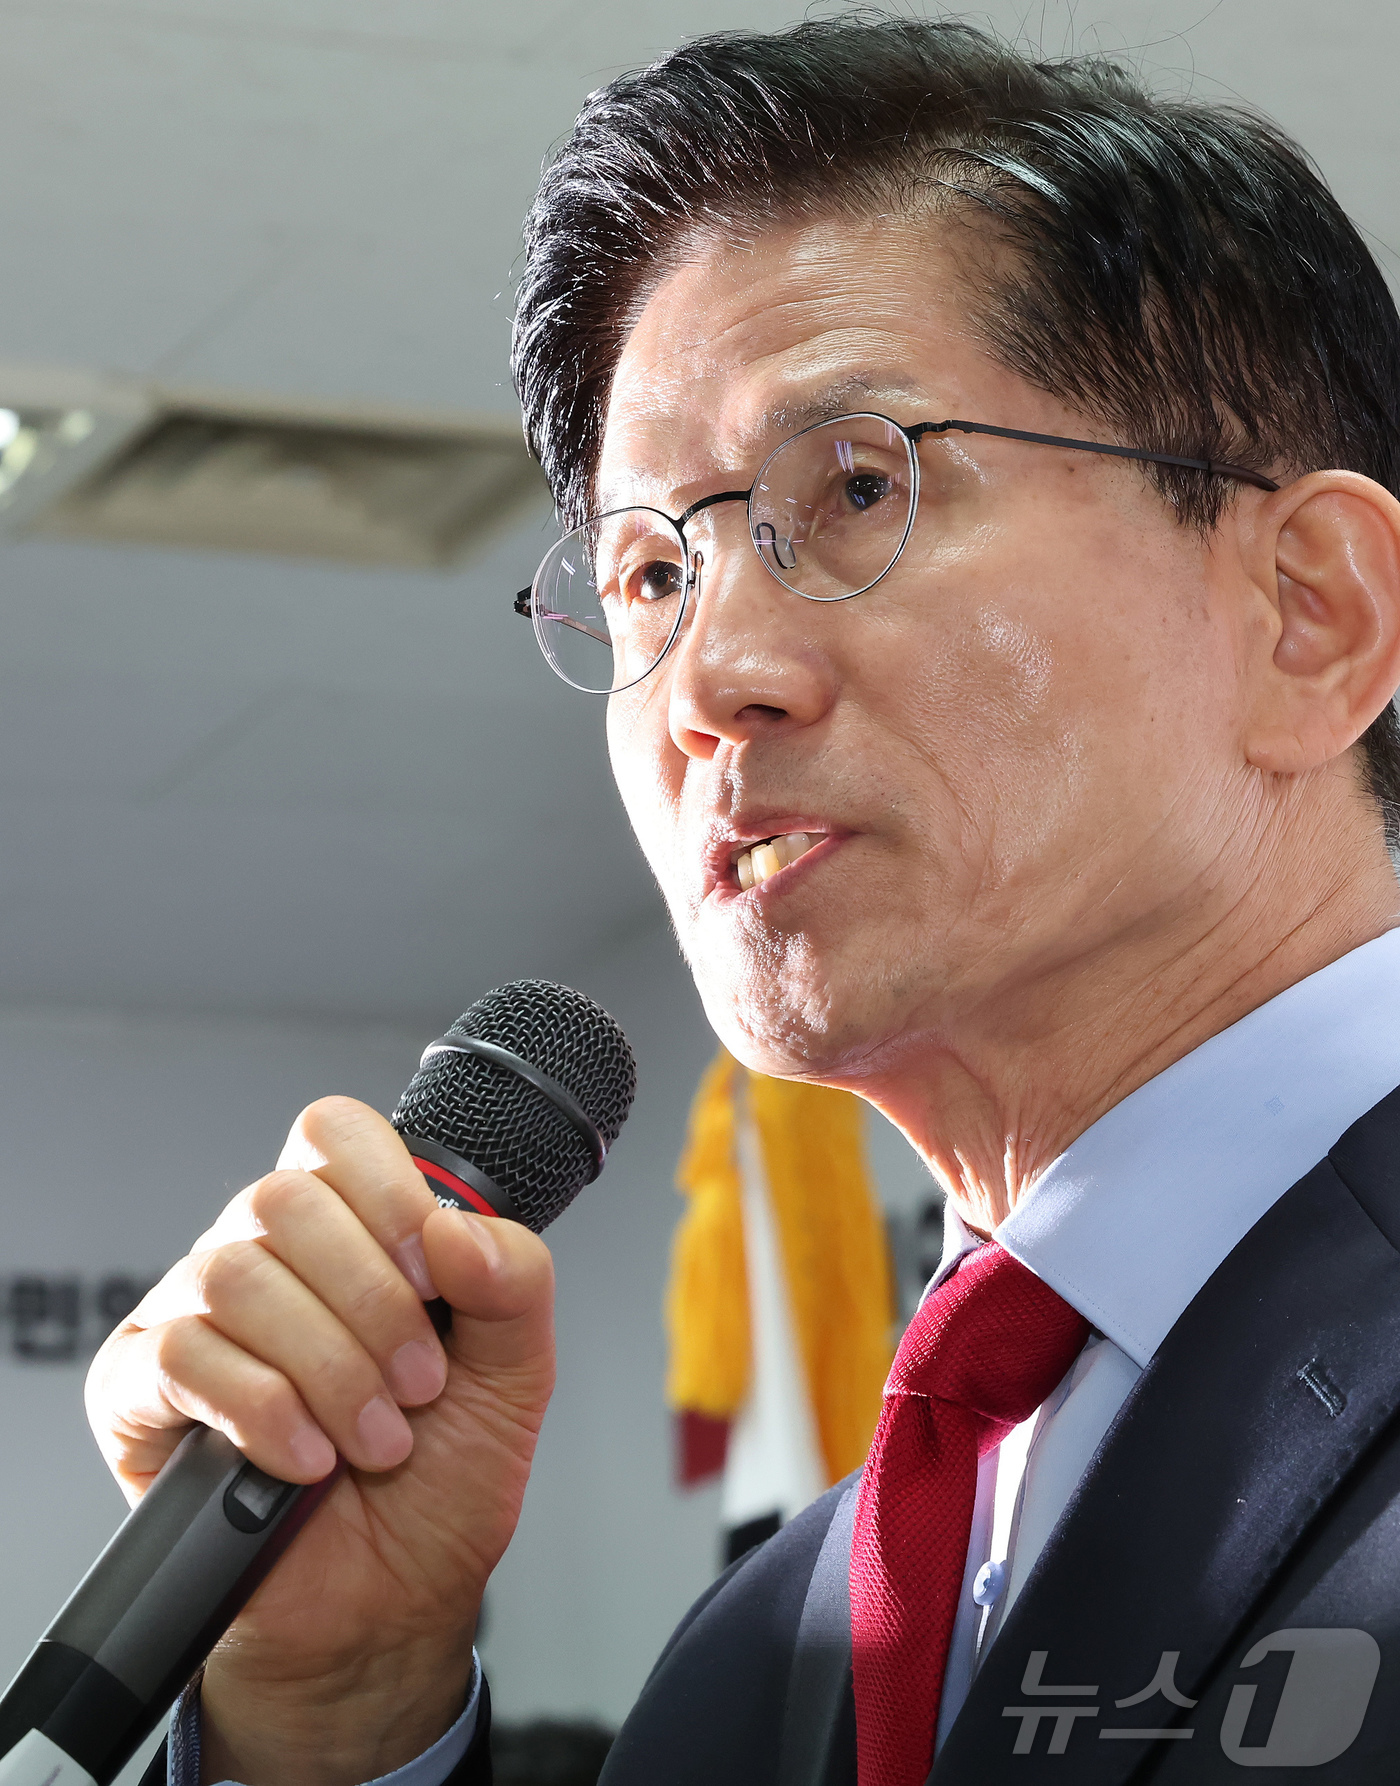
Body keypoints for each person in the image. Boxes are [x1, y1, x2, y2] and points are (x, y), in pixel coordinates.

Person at [85, 16, 1400, 1784]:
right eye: (649, 571)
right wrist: (338, 1711)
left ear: (1310, 615)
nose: (707, 678)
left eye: (857, 486)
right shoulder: (762, 1658)